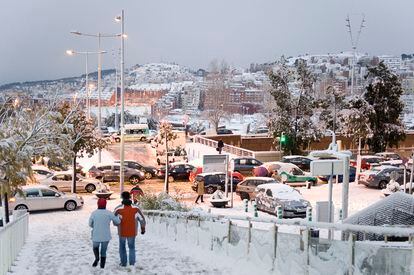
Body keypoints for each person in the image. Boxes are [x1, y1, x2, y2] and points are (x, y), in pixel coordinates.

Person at [114, 192, 146, 267]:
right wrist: (143, 228)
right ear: (129, 197)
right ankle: (132, 263)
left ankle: (123, 263)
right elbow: (142, 219)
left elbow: (114, 220)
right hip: (132, 232)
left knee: (122, 247)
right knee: (132, 247)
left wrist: (117, 224)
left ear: (122, 198)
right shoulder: (136, 208)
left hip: (122, 232)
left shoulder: (118, 209)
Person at [88, 198, 121, 269]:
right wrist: (119, 217)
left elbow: (90, 224)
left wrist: (95, 225)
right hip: (106, 236)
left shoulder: (94, 213)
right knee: (103, 251)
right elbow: (118, 222)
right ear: (105, 204)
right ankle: (102, 266)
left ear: (97, 204)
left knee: (95, 247)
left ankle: (97, 259)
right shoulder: (109, 213)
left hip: (96, 235)